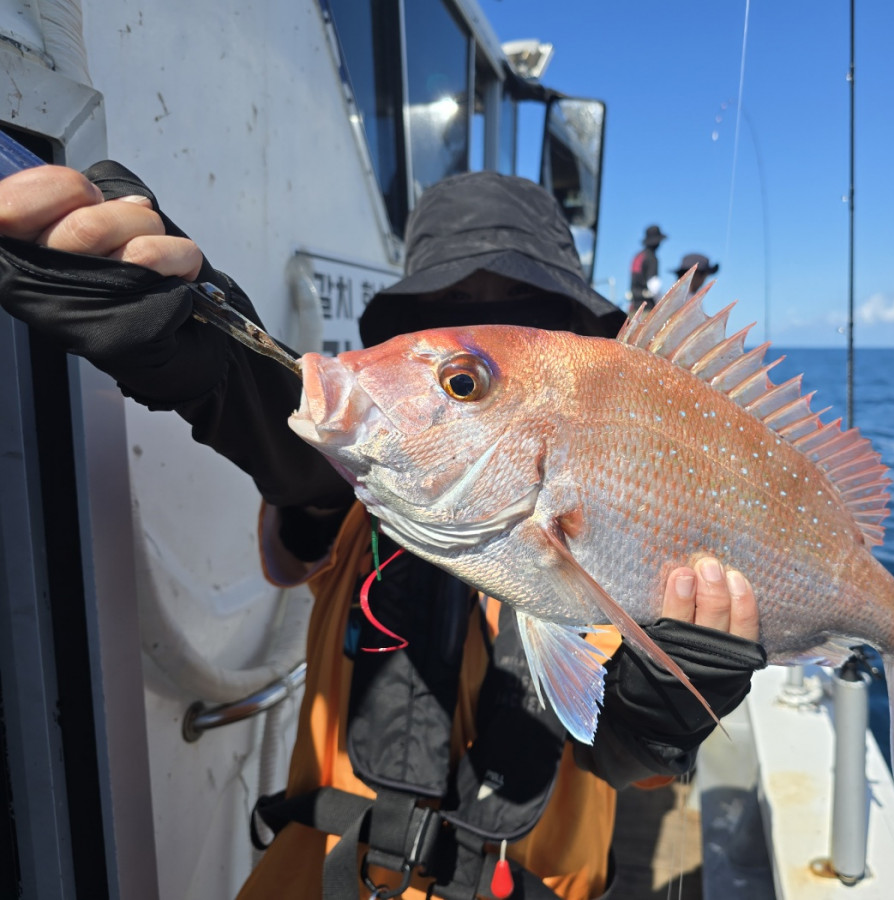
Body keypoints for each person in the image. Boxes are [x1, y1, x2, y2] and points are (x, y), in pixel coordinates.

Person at [0, 164, 766, 900]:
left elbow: (627, 765)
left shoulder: (637, 520)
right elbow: (301, 465)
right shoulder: (366, 491)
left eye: (528, 312)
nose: (492, 328)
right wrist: (218, 361)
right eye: (453, 333)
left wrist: (665, 711)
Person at [627, 224, 666, 314]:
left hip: (634, 307)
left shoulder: (638, 256)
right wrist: (662, 305)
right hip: (647, 308)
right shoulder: (652, 258)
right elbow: (654, 286)